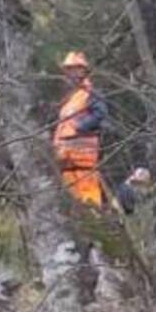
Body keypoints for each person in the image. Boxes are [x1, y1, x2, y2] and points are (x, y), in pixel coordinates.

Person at [54, 51, 108, 207]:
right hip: (66, 161)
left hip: (84, 160)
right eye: (69, 69)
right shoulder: (71, 98)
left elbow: (101, 113)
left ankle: (97, 224)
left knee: (89, 199)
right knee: (73, 203)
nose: (72, 73)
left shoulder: (90, 94)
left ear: (84, 71)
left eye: (76, 69)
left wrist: (80, 127)